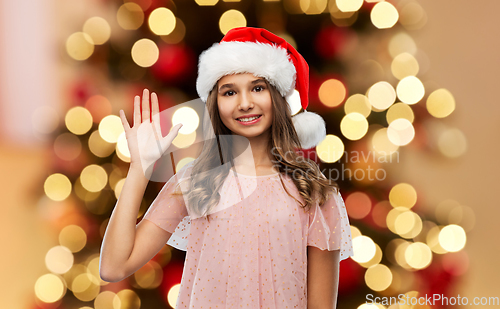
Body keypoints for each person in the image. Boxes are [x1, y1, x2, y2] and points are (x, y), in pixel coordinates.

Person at [100, 27, 353, 308]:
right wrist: (140, 168)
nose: (245, 103)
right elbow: (114, 267)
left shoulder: (311, 189)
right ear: (216, 103)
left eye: (258, 88)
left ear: (279, 97)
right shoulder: (195, 182)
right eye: (229, 92)